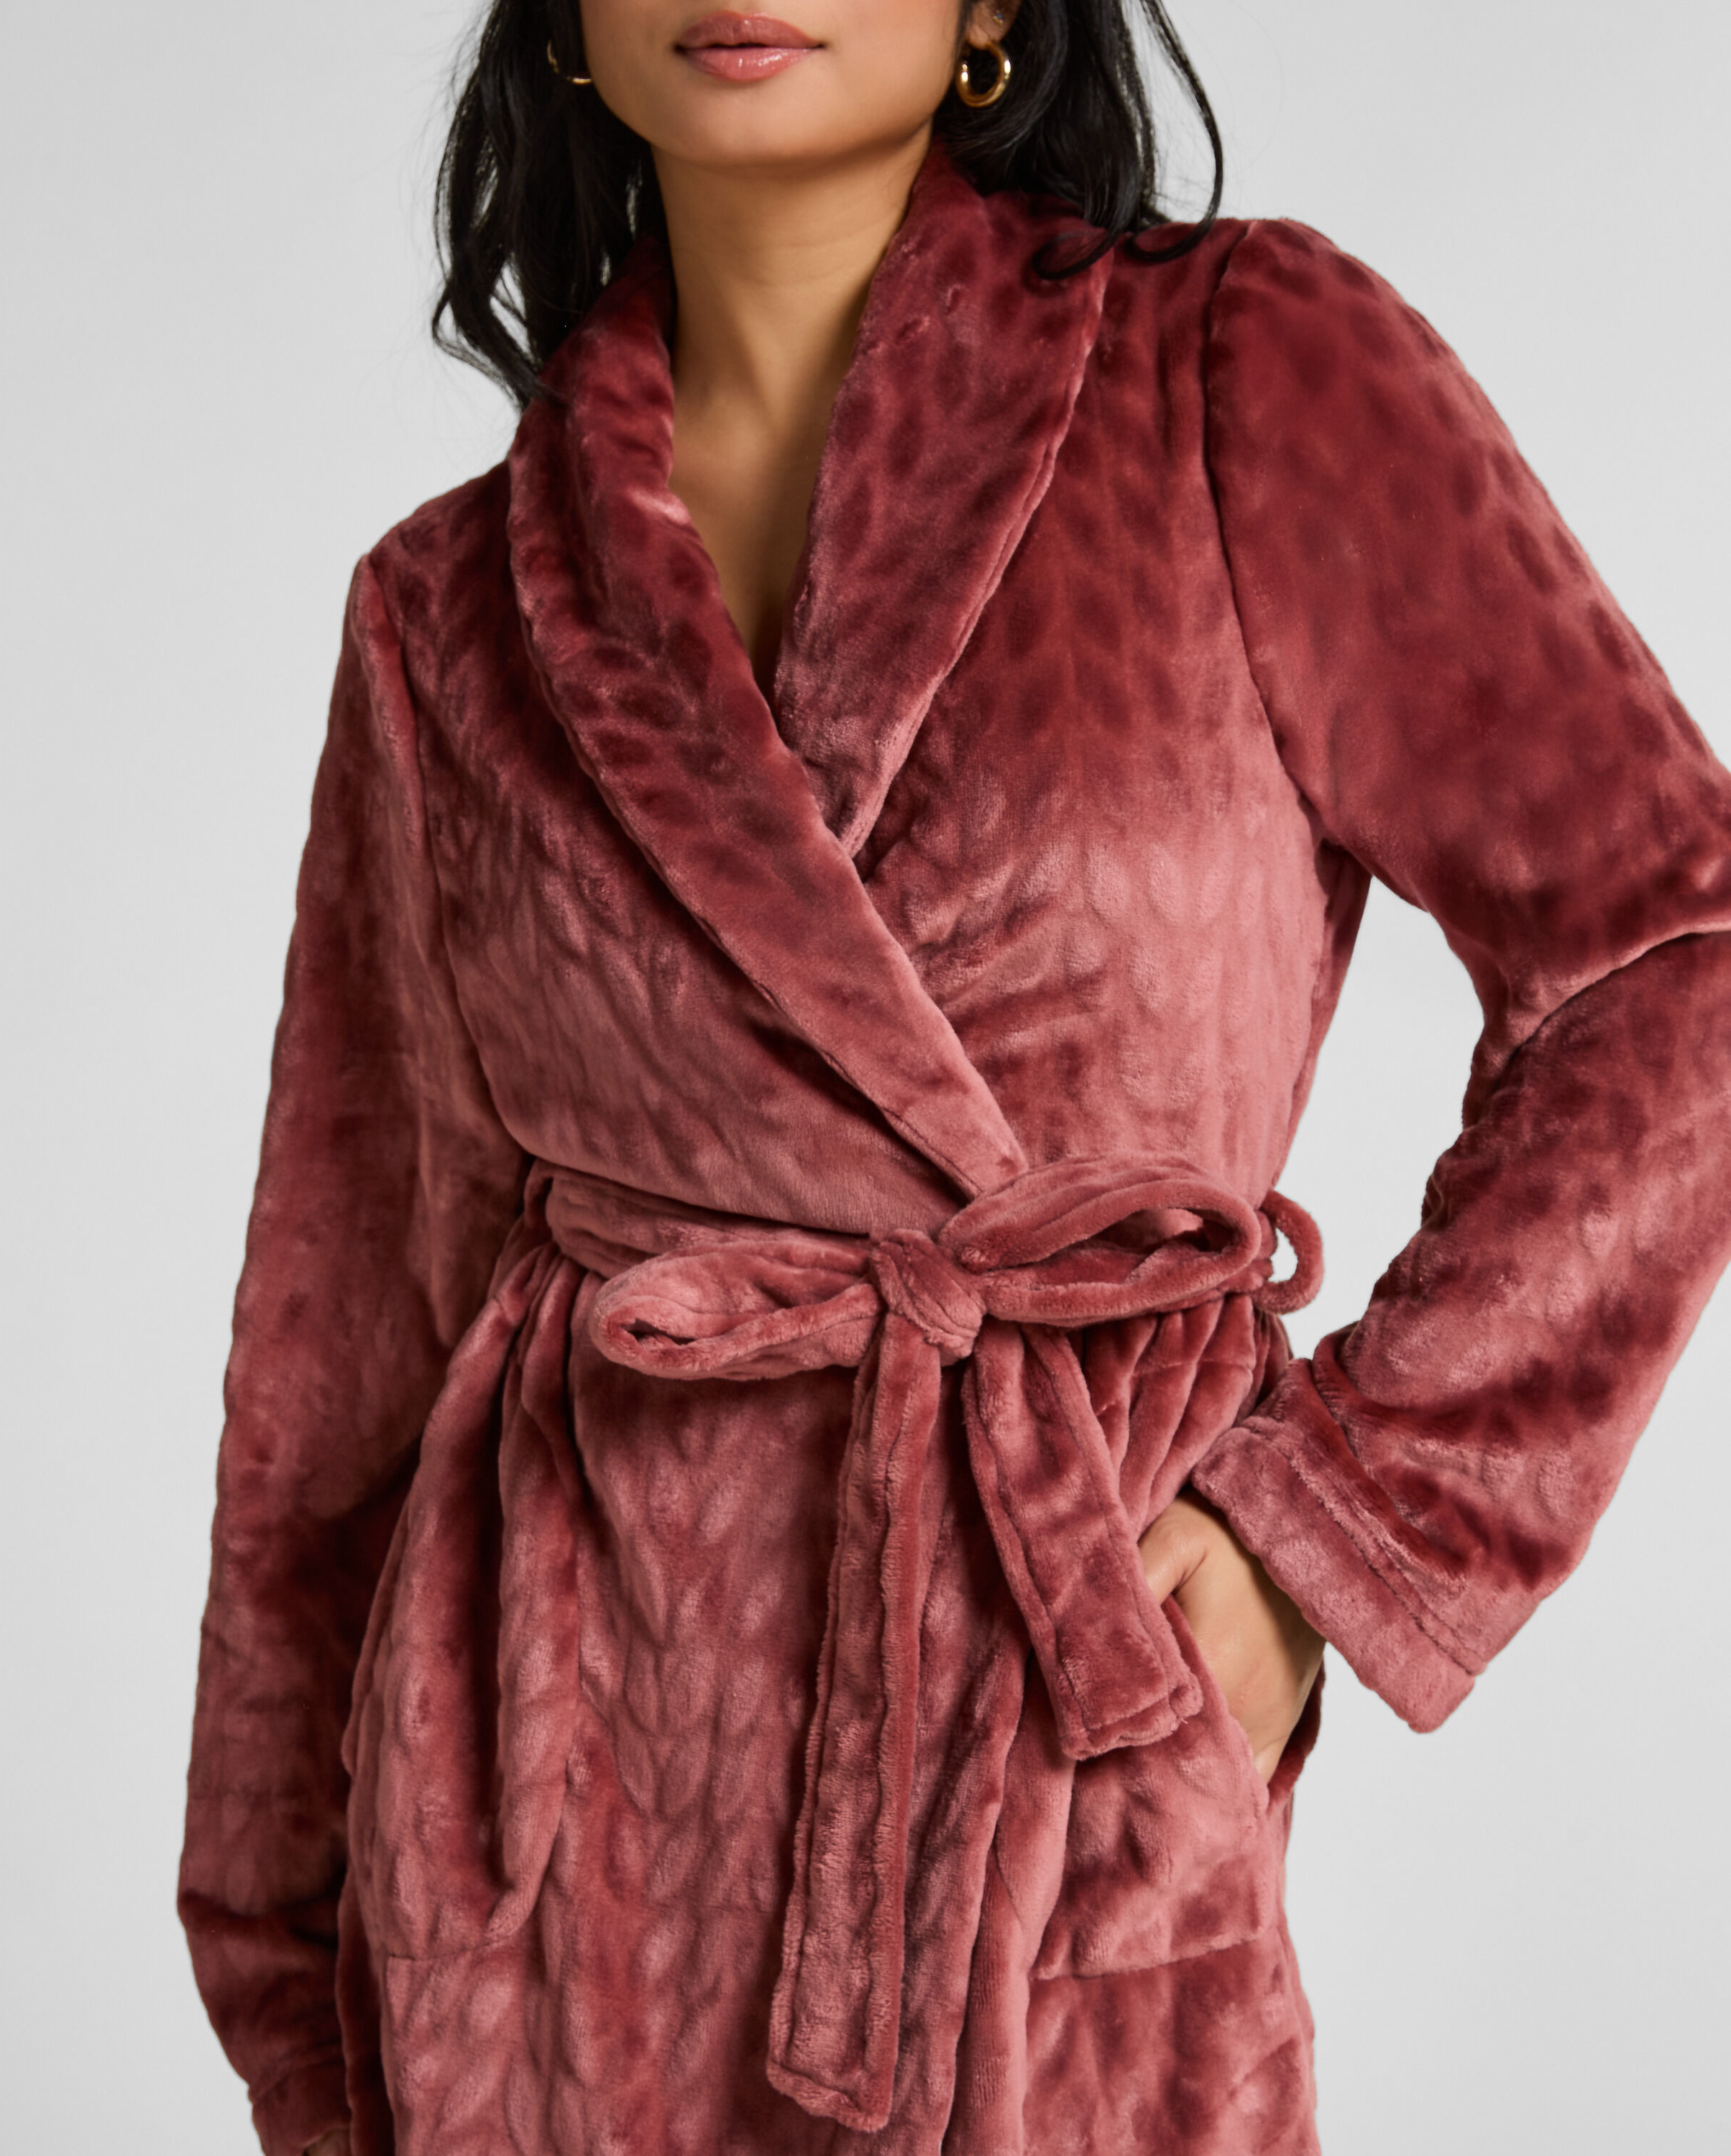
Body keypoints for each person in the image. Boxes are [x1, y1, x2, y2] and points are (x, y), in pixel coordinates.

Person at [177, 4, 1731, 2153]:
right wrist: (291, 1975)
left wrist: (1328, 1535)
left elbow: (1671, 959)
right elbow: (340, 1344)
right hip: (558, 1820)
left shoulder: (1243, 370)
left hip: (1051, 1714)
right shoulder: (448, 610)